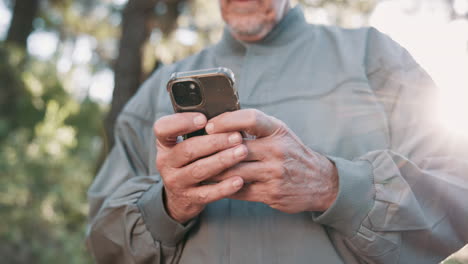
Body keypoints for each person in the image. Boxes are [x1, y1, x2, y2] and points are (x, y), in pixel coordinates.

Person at [86, 0, 468, 263]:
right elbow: (105, 241)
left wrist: (334, 185)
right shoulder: (155, 92)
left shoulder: (374, 56)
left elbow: (458, 190)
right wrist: (170, 205)